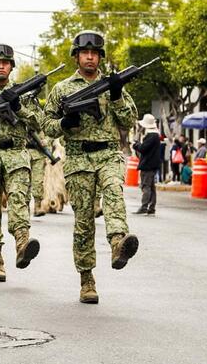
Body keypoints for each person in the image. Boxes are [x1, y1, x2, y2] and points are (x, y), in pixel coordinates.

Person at [42, 30, 139, 304]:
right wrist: (63, 124)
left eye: (94, 53)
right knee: (83, 222)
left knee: (113, 195)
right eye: (85, 53)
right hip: (78, 158)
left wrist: (117, 93)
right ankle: (87, 280)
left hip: (108, 154)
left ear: (100, 57)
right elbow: (46, 125)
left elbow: (128, 121)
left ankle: (118, 242)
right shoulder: (62, 89)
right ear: (76, 56)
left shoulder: (112, 85)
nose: (89, 57)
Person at [0, 43, 42, 283]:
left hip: (16, 154)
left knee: (18, 199)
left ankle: (22, 244)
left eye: (5, 63)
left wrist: (18, 106)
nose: (1, 66)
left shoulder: (22, 93)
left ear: (12, 66)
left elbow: (39, 124)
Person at [132, 114, 160, 215]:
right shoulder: (155, 135)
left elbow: (143, 149)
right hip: (152, 164)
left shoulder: (151, 136)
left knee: (146, 186)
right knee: (151, 187)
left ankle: (144, 207)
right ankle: (151, 207)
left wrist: (136, 145)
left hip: (148, 164)